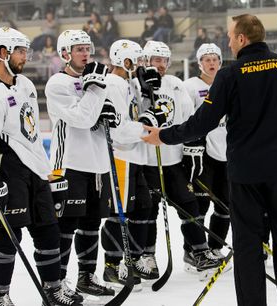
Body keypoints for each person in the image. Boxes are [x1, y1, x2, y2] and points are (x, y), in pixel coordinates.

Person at [142, 14, 277, 306]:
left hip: (245, 175)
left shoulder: (230, 74)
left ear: (241, 38)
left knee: (248, 247)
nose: (228, 42)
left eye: (229, 36)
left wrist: (163, 136)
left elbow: (202, 123)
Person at [0, 26, 81, 306]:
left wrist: (46, 172)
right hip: (8, 171)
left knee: (48, 230)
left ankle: (53, 289)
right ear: (3, 52)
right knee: (7, 236)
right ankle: (0, 295)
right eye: (20, 51)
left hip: (34, 170)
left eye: (25, 51)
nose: (25, 57)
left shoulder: (26, 85)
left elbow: (31, 133)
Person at [140, 40, 221, 280]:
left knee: (190, 205)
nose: (161, 65)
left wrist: (192, 147)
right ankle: (147, 255)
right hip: (147, 161)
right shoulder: (136, 83)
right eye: (156, 60)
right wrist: (145, 93)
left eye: (164, 60)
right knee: (148, 211)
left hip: (173, 160)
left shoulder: (175, 84)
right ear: (146, 60)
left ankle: (199, 251)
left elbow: (189, 117)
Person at [45, 29, 116, 301]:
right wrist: (97, 88)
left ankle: (87, 277)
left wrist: (114, 117)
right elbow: (83, 118)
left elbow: (107, 118)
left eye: (88, 48)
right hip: (69, 165)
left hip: (98, 165)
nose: (86, 54)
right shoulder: (57, 83)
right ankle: (59, 282)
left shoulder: (96, 81)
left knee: (91, 225)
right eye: (79, 49)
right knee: (65, 227)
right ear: (65, 54)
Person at [101, 39, 164, 289]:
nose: (140, 66)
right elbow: (117, 128)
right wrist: (146, 123)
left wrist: (151, 97)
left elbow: (136, 115)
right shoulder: (113, 85)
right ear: (125, 61)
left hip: (135, 156)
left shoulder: (128, 84)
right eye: (136, 61)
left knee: (143, 208)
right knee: (120, 214)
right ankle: (112, 265)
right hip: (121, 156)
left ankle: (134, 258)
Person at [182, 43, 231, 265]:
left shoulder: (227, 83)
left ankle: (214, 247)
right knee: (200, 205)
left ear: (220, 61)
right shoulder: (190, 87)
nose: (211, 63)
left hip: (227, 152)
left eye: (215, 59)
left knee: (225, 206)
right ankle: (193, 251)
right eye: (207, 59)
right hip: (200, 154)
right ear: (199, 63)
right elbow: (186, 117)